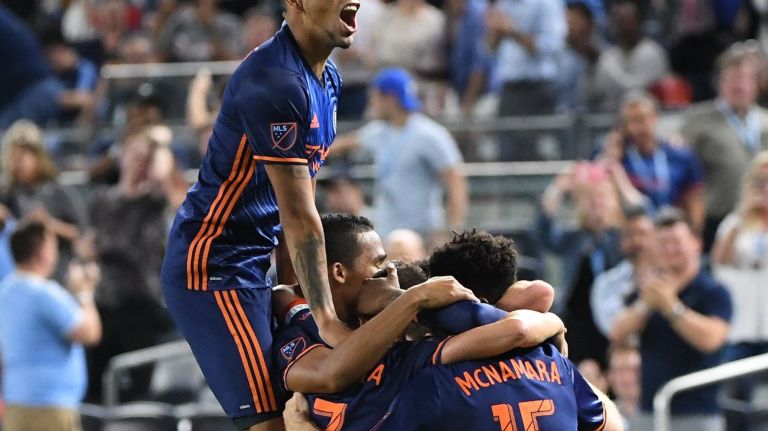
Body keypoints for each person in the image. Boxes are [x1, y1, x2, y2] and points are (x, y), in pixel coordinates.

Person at [160, 0, 360, 428]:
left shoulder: (328, 80)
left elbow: (300, 203)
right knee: (270, 423)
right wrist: (322, 318)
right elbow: (298, 215)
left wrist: (294, 292)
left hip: (255, 262)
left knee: (307, 408)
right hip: (214, 266)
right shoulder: (275, 81)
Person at [274, 216, 565, 431]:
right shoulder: (301, 334)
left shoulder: (408, 352)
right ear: (339, 272)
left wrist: (550, 324)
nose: (387, 272)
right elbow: (331, 372)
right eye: (379, 262)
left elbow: (518, 325)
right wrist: (410, 299)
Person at [612, 208, 732, 431]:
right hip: (650, 410)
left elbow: (711, 339)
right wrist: (647, 304)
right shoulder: (647, 292)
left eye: (676, 241)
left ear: (696, 243)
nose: (669, 249)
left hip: (698, 413)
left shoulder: (713, 291)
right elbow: (618, 333)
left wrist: (671, 307)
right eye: (662, 243)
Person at [79, 132, 175, 402]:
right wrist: (86, 251)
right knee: (94, 389)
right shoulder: (102, 200)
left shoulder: (155, 202)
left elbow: (171, 189)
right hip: (105, 302)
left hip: (141, 304)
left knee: (139, 394)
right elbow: (88, 244)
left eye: (145, 158)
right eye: (134, 155)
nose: (138, 163)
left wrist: (158, 156)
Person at [331, 68, 468, 241]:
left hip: (421, 234)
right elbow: (346, 144)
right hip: (387, 230)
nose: (371, 103)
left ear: (390, 98)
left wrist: (452, 230)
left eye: (374, 97)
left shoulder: (430, 135)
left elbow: (456, 182)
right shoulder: (380, 131)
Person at [0, 221, 101, 431]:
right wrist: (85, 294)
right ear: (42, 253)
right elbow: (89, 333)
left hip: (16, 405)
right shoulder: (45, 293)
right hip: (49, 408)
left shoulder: (5, 292)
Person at [680, 41, 768, 251]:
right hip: (715, 217)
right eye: (734, 79)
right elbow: (681, 168)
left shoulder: (765, 120)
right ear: (719, 82)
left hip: (761, 220)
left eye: (747, 79)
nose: (741, 86)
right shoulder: (696, 121)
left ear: (757, 84)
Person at [537, 164, 624, 367]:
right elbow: (543, 233)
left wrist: (621, 183)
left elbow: (645, 214)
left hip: (615, 320)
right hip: (578, 321)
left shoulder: (623, 239)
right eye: (591, 201)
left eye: (602, 199)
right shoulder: (574, 238)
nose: (597, 206)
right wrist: (557, 189)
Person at [712, 151, 768, 429]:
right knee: (735, 401)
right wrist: (744, 213)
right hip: (741, 326)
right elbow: (719, 262)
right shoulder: (735, 224)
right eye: (760, 182)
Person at [601, 93, 705, 232]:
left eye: (641, 119)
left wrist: (694, 236)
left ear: (655, 118)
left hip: (672, 231)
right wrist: (611, 158)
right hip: (634, 234)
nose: (636, 127)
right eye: (629, 121)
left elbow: (694, 201)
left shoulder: (680, 156)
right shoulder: (619, 159)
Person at [0, 120, 85, 284]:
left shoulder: (57, 192)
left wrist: (49, 224)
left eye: (23, 156)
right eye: (13, 156)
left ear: (38, 156)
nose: (18, 163)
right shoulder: (8, 195)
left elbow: (80, 233)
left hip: (58, 276)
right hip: (18, 278)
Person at [487, 0, 566, 117]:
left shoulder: (547, 3)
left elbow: (552, 46)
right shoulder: (503, 3)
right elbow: (490, 48)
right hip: (509, 89)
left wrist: (513, 32)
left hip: (537, 87)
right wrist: (495, 32)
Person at [591, 208, 656, 338]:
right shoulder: (606, 283)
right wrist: (648, 302)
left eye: (643, 233)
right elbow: (611, 328)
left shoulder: (674, 276)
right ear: (621, 242)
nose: (637, 241)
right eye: (630, 235)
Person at [592, 0, 668, 111]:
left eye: (628, 21)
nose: (623, 27)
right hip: (611, 117)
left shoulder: (652, 52)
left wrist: (607, 65)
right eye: (619, 21)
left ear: (639, 22)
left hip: (646, 117)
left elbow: (634, 91)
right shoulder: (609, 55)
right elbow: (599, 89)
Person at [606, 345, 641, 428]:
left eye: (635, 369)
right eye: (620, 370)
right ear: (609, 376)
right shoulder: (602, 417)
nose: (628, 377)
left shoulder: (663, 412)